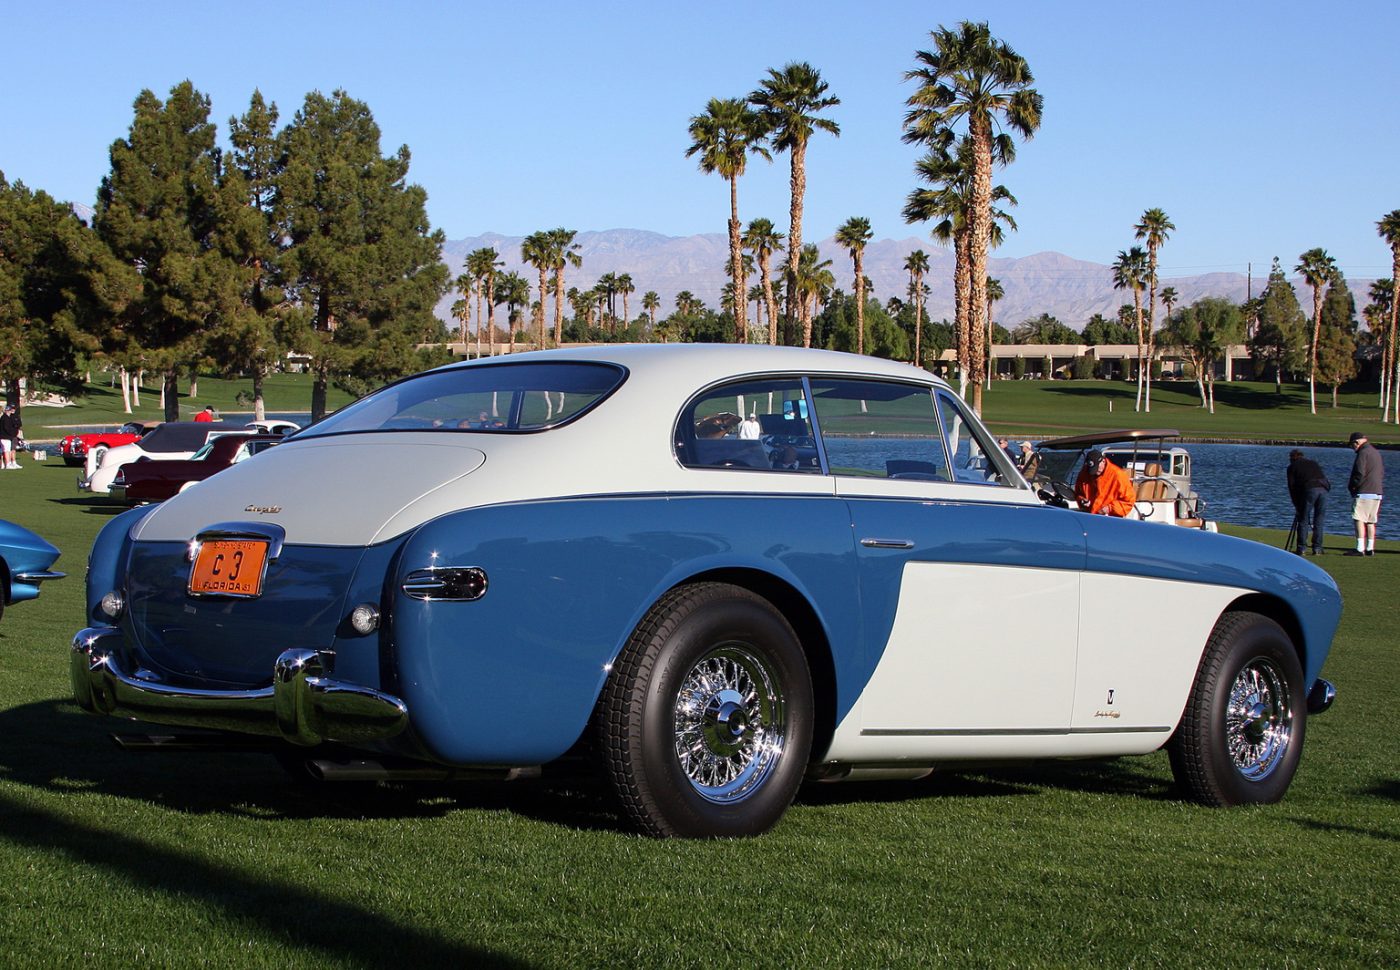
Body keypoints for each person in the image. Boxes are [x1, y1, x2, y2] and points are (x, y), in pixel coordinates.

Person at [1345, 431, 1383, 556]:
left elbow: (1359, 473)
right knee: (1371, 521)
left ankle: (1359, 548)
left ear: (1356, 442)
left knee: (1359, 519)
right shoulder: (1375, 452)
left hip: (1364, 491)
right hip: (1377, 491)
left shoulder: (1363, 453)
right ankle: (1370, 548)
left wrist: (1353, 486)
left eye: (1352, 445)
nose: (1353, 448)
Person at [1286, 449, 1330, 555]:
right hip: (1323, 489)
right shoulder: (1313, 463)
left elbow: (1292, 488)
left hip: (1310, 489)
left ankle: (1301, 548)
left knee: (1303, 519)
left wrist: (1297, 505)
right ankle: (1317, 548)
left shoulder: (1292, 467)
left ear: (1292, 458)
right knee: (1319, 520)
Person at [1074, 449, 1137, 517]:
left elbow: (1129, 501)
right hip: (1090, 516)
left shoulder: (1118, 475)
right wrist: (1082, 500)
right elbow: (1078, 493)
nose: (1095, 472)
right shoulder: (1085, 473)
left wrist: (1109, 508)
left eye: (1097, 468)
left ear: (1103, 461)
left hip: (1110, 518)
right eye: (1092, 469)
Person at [0, 403, 22, 469]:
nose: (10, 411)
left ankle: (8, 463)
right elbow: (6, 428)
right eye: (9, 410)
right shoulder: (5, 418)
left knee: (8, 450)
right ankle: (7, 464)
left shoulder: (7, 417)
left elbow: (18, 424)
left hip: (7, 437)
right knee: (6, 451)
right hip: (5, 437)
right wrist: (12, 433)